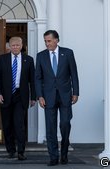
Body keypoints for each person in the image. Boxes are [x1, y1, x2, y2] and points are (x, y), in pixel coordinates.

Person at [35, 30, 79, 166]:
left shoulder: (68, 53)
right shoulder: (41, 56)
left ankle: (64, 154)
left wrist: (76, 92)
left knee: (65, 124)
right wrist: (40, 96)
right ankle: (53, 157)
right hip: (48, 97)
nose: (47, 44)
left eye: (49, 41)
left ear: (56, 40)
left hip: (66, 95)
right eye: (45, 41)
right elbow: (38, 78)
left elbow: (74, 74)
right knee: (50, 128)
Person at [0, 37, 36, 160]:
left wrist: (33, 97)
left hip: (20, 96)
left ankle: (21, 152)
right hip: (5, 96)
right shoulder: (2, 59)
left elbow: (32, 81)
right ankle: (11, 150)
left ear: (22, 45)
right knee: (7, 125)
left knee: (19, 125)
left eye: (18, 45)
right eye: (13, 45)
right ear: (9, 46)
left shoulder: (28, 60)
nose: (15, 47)